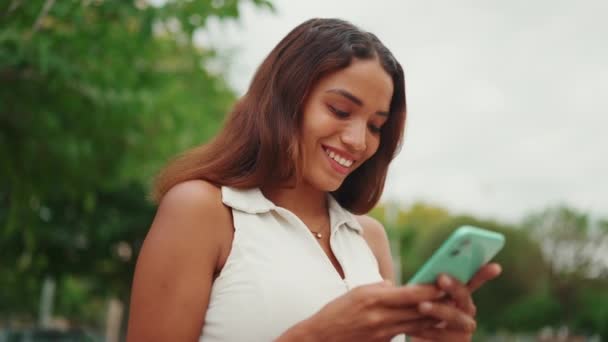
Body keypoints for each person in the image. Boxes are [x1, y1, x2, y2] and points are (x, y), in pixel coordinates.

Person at [126, 18, 501, 342]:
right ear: (285, 99)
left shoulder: (369, 239)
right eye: (340, 110)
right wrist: (315, 336)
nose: (358, 141)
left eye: (375, 126)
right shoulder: (203, 210)